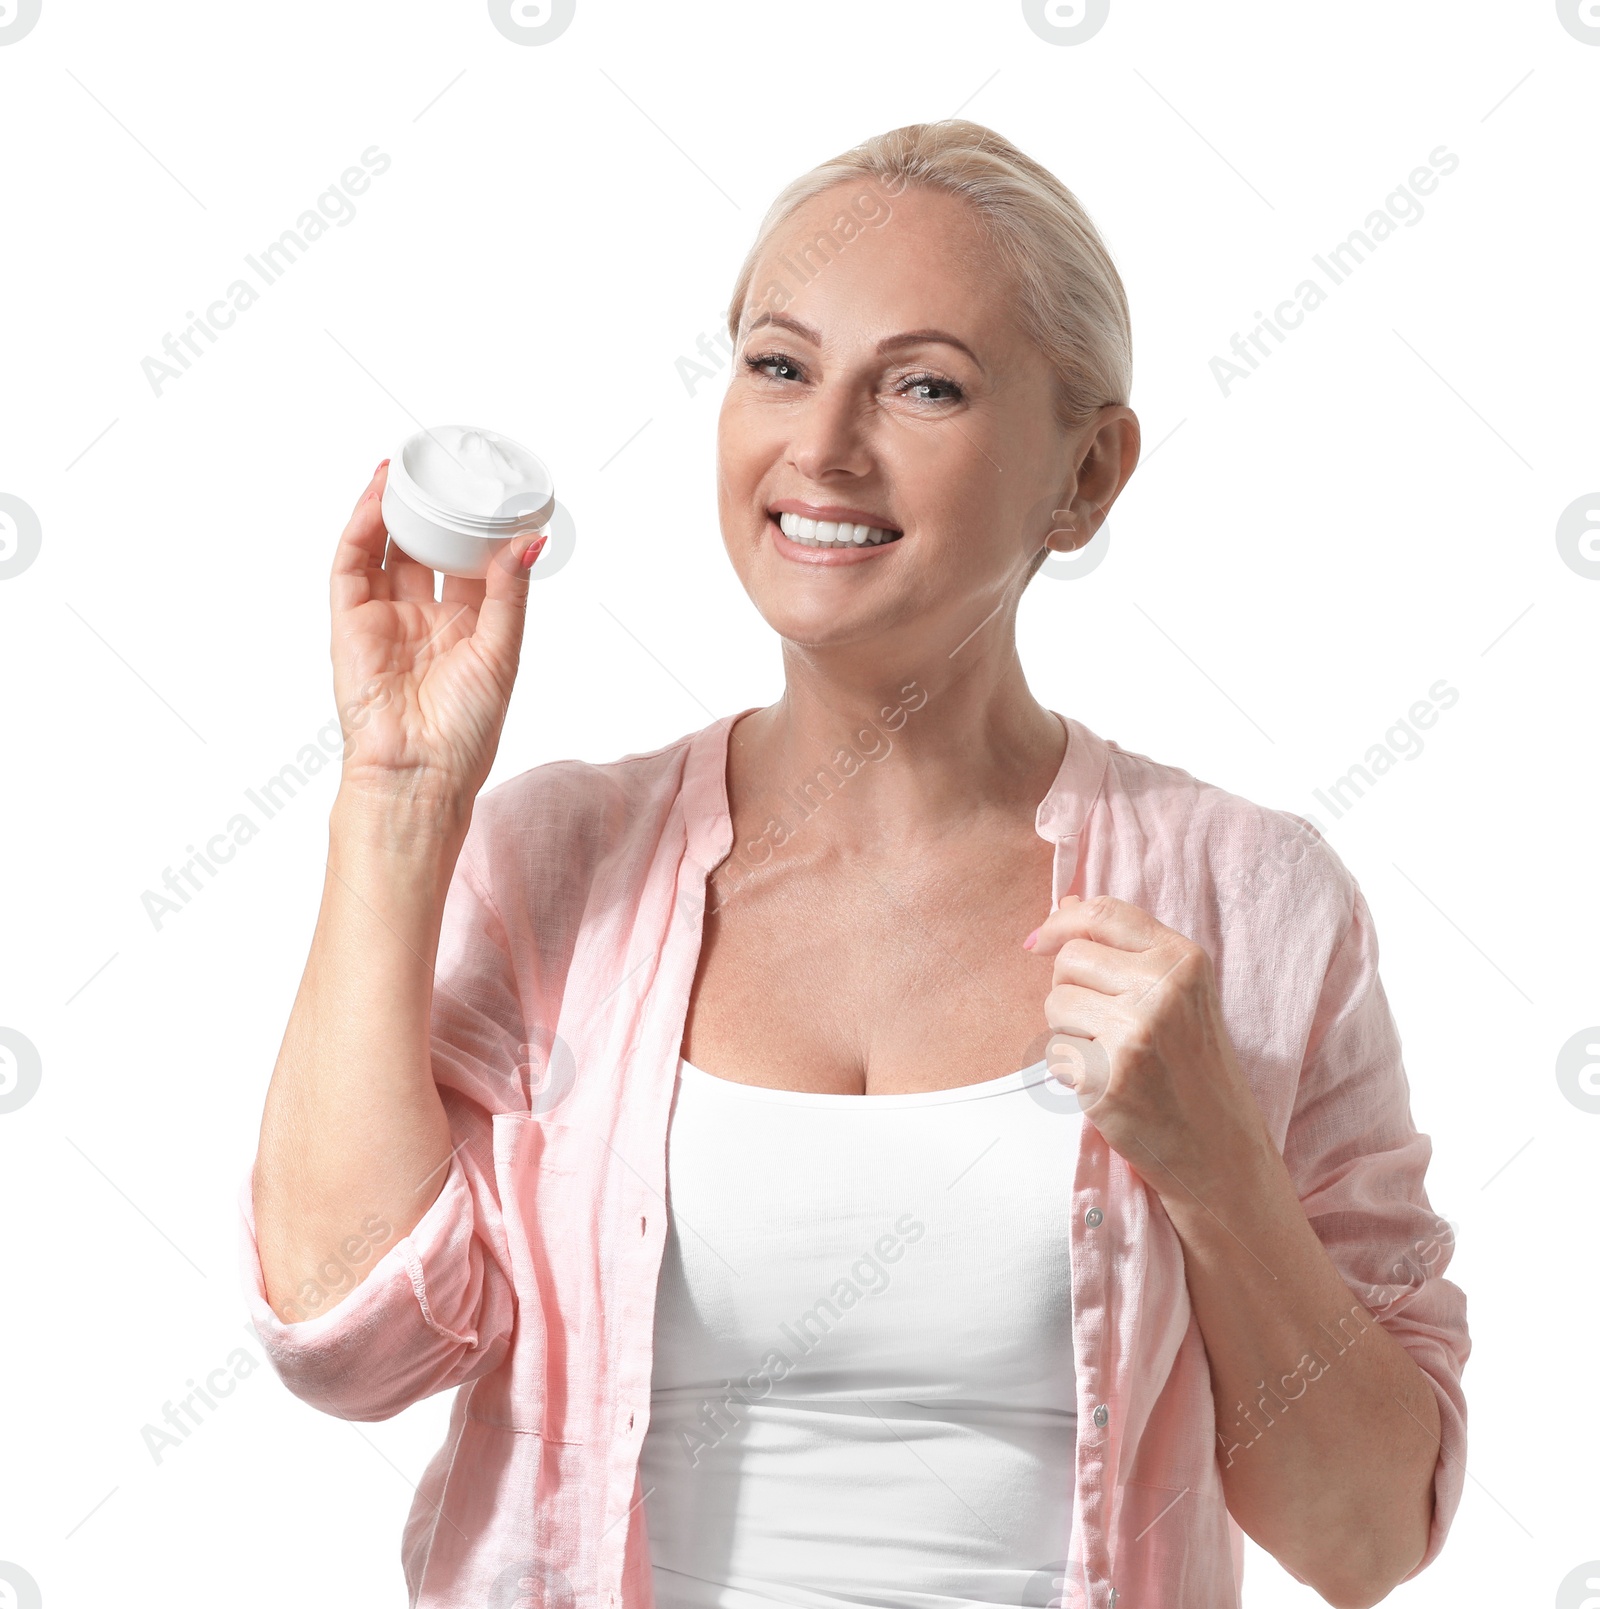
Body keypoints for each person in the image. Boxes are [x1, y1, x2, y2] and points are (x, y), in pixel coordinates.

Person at [240, 120, 1469, 1609]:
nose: (821, 445)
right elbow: (349, 1343)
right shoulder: (558, 861)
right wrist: (397, 803)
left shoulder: (1258, 905)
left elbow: (1369, 1534)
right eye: (778, 365)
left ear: (1086, 473)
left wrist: (1214, 1160)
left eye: (925, 385)